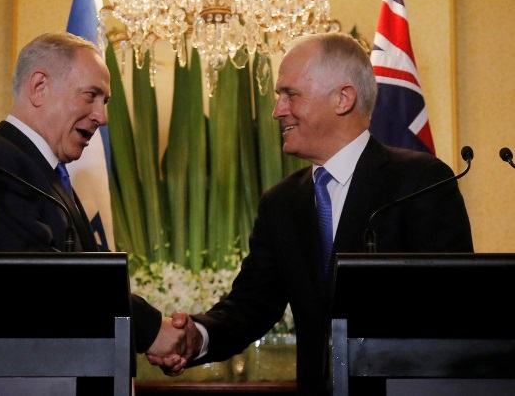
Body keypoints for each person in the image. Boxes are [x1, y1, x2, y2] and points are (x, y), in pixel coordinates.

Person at [147, 32, 473, 394]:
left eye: (291, 95)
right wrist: (197, 336)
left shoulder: (420, 182)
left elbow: (452, 306)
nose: (277, 111)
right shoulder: (281, 203)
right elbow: (251, 306)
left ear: (343, 98)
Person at [0, 31, 192, 361]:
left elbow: (82, 277)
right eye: (91, 96)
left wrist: (141, 332)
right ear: (40, 87)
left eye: (105, 102)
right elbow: (35, 275)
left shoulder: (48, 175)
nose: (102, 117)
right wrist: (150, 329)